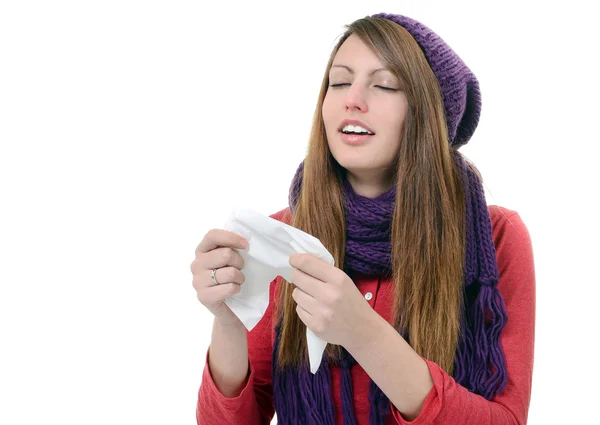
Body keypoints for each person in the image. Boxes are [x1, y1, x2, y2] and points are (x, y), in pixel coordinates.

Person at [190, 12, 535, 425]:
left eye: (385, 84)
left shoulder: (494, 237)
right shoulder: (283, 235)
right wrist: (228, 320)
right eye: (338, 82)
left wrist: (364, 334)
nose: (352, 99)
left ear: (428, 114)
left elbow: (505, 419)